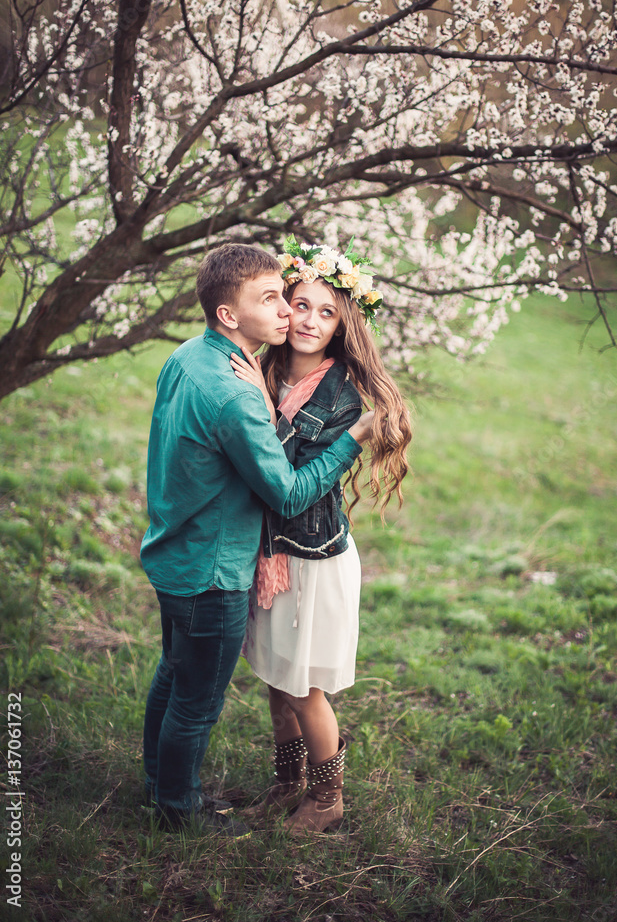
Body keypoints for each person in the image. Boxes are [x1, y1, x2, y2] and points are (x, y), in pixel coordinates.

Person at [140, 242, 374, 838]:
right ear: (228, 314)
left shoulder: (193, 355)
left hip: (196, 551)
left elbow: (278, 462)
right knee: (197, 699)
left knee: (186, 677)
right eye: (277, 300)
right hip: (213, 563)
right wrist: (348, 441)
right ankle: (177, 810)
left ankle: (171, 790)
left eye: (319, 311)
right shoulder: (241, 386)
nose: (290, 316)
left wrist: (271, 401)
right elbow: (287, 490)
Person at [231, 237, 411, 833]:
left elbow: (294, 486)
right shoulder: (264, 367)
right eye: (298, 304)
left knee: (304, 687)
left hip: (311, 556)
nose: (308, 320)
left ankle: (328, 799)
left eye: (326, 311)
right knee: (275, 683)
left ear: (342, 325)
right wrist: (255, 387)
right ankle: (288, 783)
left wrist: (350, 436)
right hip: (271, 552)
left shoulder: (340, 400)